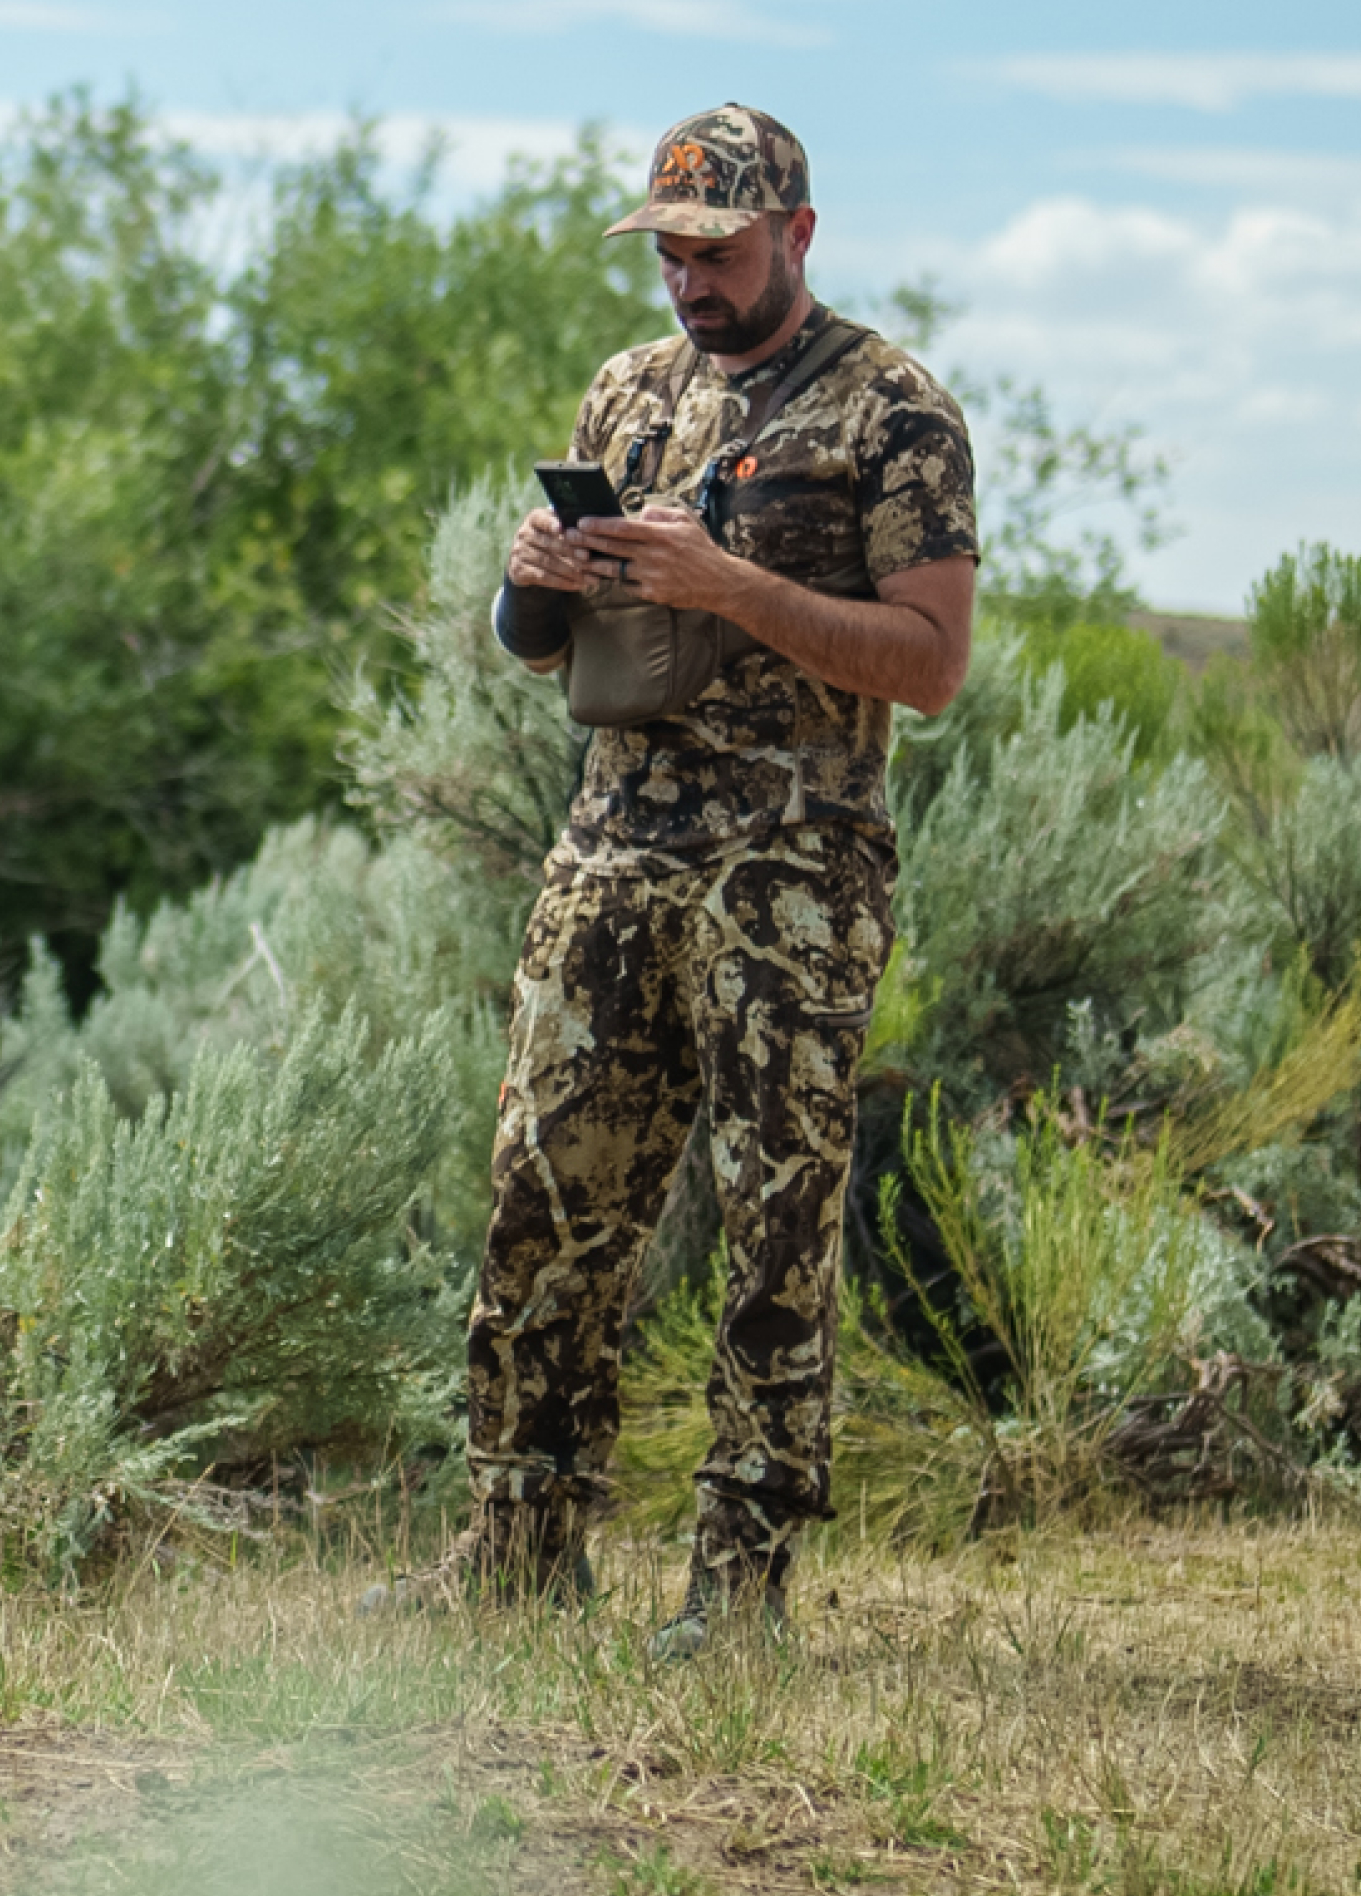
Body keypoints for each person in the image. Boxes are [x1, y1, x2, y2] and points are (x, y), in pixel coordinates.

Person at [372, 103, 977, 1658]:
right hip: (613, 844)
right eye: (671, 255)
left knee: (776, 1212)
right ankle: (514, 1544)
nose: (692, 284)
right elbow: (534, 654)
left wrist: (733, 587)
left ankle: (742, 1584)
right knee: (544, 1193)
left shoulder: (895, 412)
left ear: (799, 235)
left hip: (793, 864)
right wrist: (532, 584)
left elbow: (930, 666)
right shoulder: (631, 393)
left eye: (718, 252)